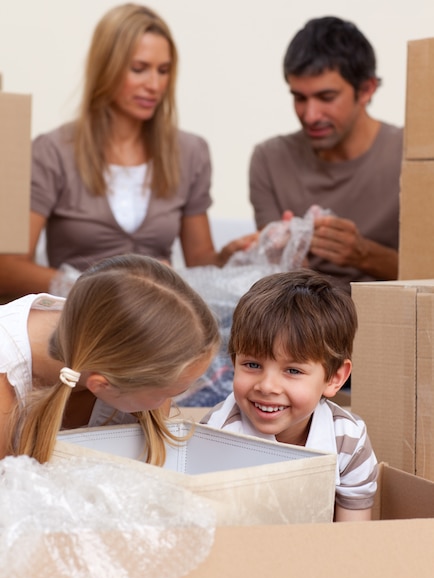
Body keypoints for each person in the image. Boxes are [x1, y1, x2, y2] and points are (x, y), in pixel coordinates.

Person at [0, 3, 255, 300]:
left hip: (161, 325)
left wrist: (228, 257)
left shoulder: (190, 152)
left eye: (164, 71)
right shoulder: (53, 151)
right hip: (82, 322)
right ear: (106, 67)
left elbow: (199, 262)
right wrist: (106, 285)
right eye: (139, 69)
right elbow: (8, 270)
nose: (154, 85)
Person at [0, 253, 220, 464]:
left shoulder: (111, 331)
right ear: (102, 385)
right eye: (172, 393)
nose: (168, 404)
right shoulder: (7, 376)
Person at [201, 269, 378, 521]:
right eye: (252, 365)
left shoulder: (348, 441)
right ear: (234, 361)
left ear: (334, 378)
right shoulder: (217, 432)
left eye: (293, 370)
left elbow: (353, 537)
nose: (267, 386)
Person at [249, 16, 402, 293]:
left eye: (326, 97)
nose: (310, 115)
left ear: (366, 89)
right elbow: (274, 285)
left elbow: (429, 275)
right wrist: (284, 260)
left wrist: (365, 255)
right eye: (299, 97)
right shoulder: (269, 160)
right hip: (303, 324)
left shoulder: (411, 157)